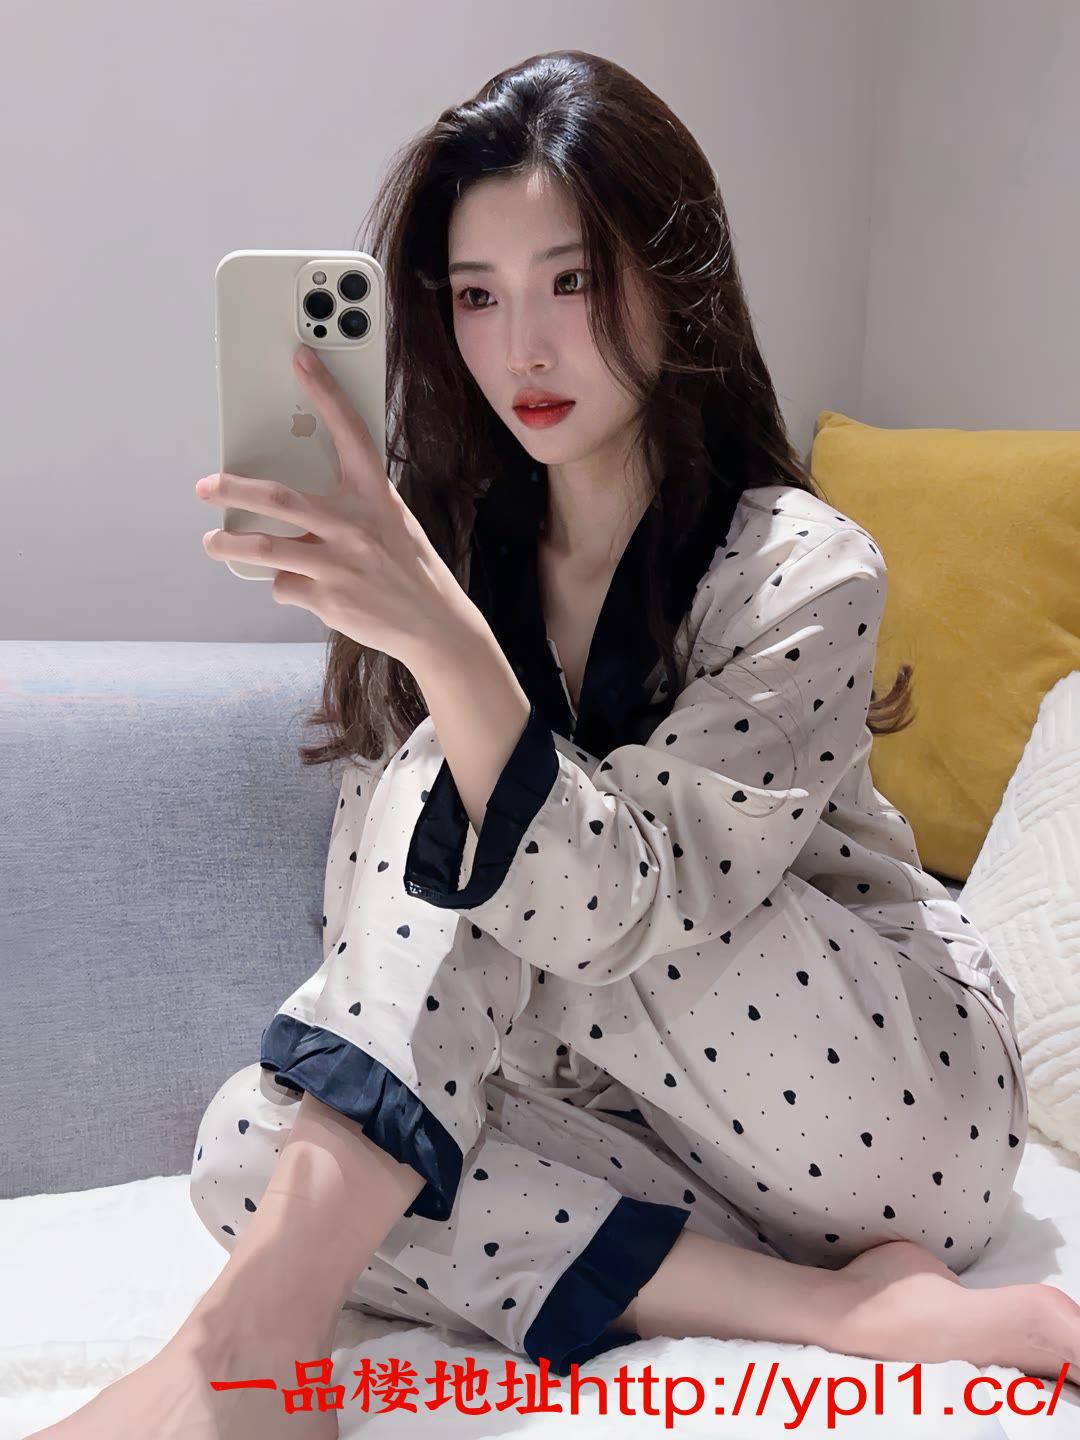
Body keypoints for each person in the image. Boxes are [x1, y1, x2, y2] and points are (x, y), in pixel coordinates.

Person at [33, 48, 1078, 1440]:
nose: (522, 347)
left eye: (572, 281)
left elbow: (641, 900)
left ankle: (241, 1364)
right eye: (477, 296)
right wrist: (431, 631)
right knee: (257, 1148)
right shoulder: (456, 554)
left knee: (463, 790)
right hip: (659, 1129)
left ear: (673, 280)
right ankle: (831, 1313)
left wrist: (451, 653)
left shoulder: (804, 566)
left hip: (894, 1105)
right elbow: (377, 940)